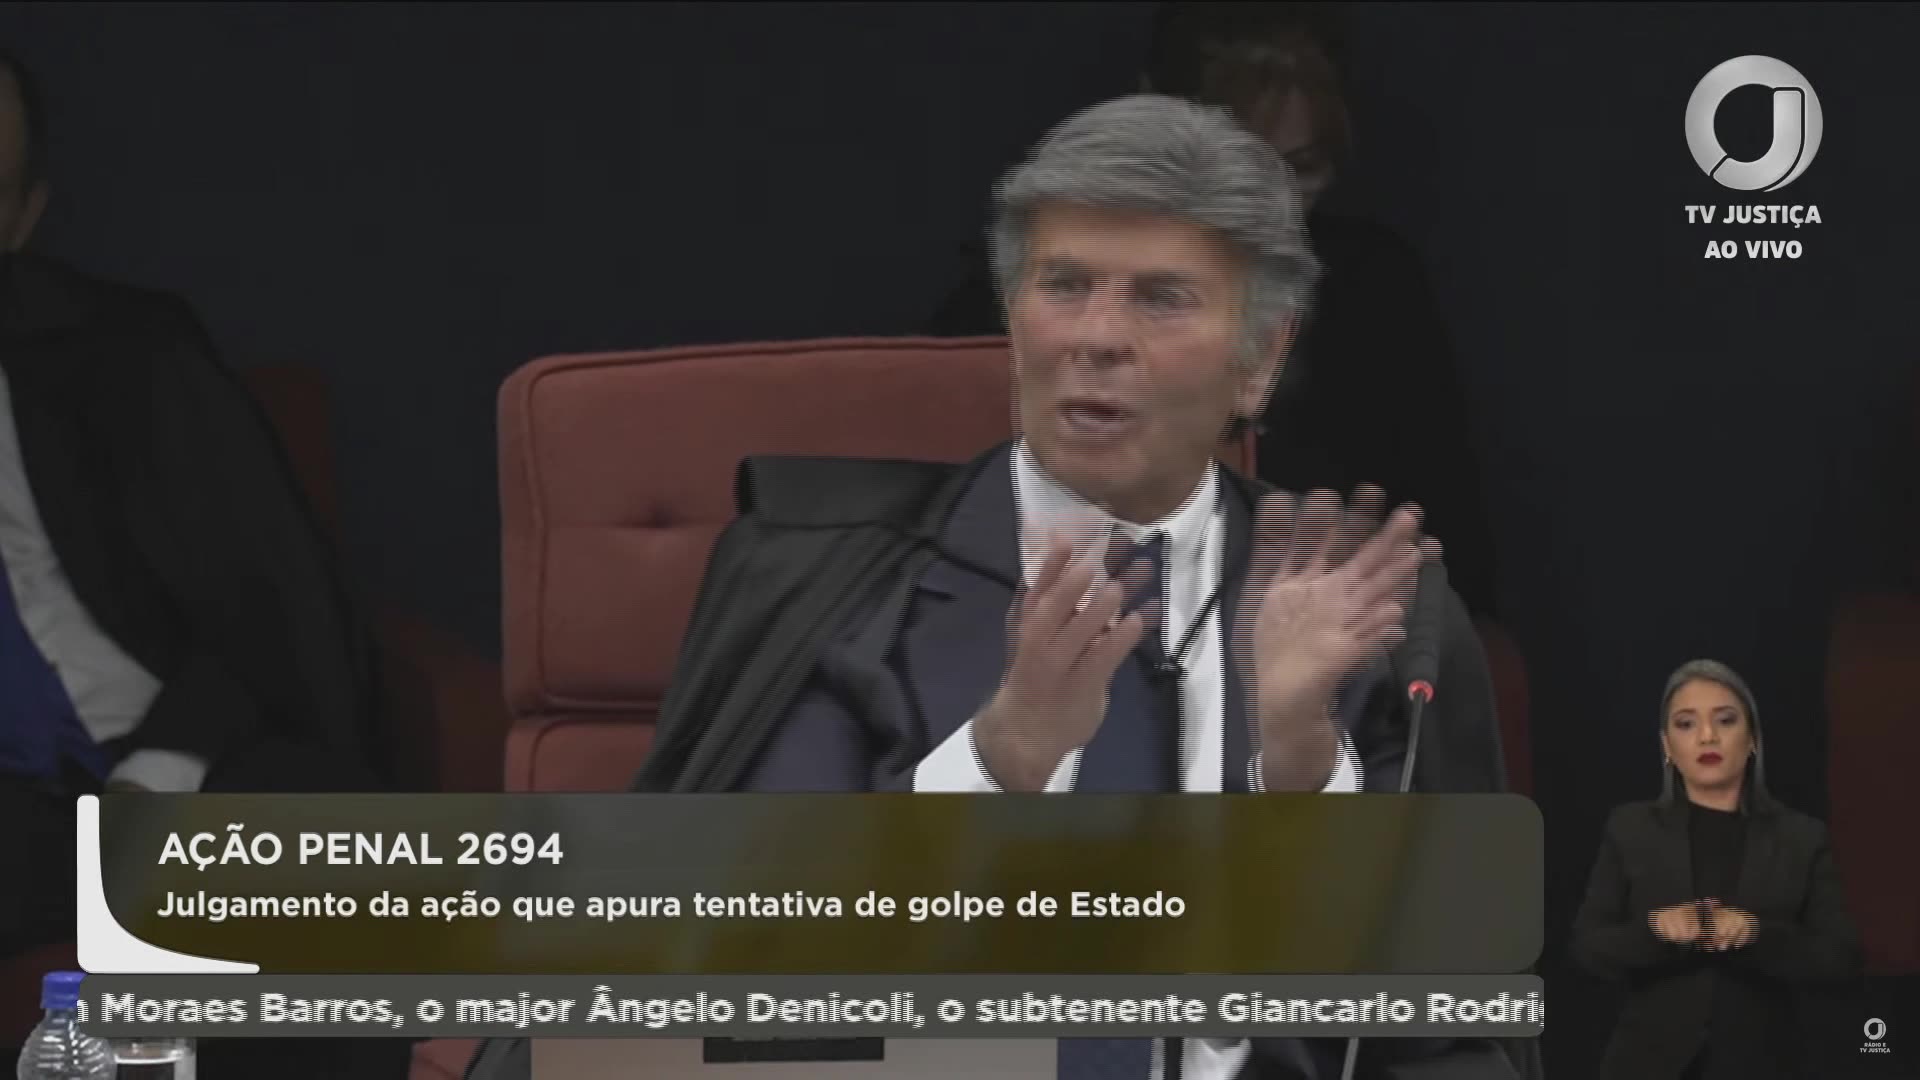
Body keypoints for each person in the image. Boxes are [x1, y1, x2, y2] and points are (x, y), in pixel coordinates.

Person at [633, 93, 1516, 1080]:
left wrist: (1299, 779)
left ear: (1260, 360)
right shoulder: (832, 586)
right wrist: (999, 762)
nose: (1096, 337)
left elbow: (1447, 1036)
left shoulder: (1372, 619)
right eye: (1064, 285)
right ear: (1014, 326)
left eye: (1161, 298)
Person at [0, 51, 408, 1077]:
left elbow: (266, 608)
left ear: (24, 217)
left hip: (175, 758)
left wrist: (161, 772)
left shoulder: (131, 352)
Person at [927, 1, 1500, 617]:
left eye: (1301, 170)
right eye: (1234, 174)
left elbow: (1447, 539)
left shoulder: (1371, 288)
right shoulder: (1018, 298)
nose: (1267, 213)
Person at [1569, 659, 1862, 1080]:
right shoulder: (1630, 829)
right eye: (1686, 724)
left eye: (1725, 720)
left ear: (1752, 738)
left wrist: (1756, 934)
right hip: (1646, 1065)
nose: (1707, 736)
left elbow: (1841, 960)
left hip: (1765, 1065)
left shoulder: (1802, 838)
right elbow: (1588, 950)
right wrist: (1656, 931)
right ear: (1667, 746)